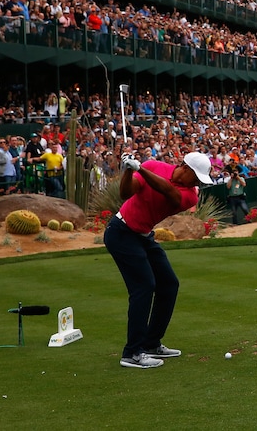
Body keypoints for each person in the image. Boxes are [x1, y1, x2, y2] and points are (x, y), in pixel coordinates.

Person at [104, 151, 213, 369]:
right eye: (196, 177)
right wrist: (127, 171)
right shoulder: (155, 165)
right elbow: (126, 193)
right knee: (144, 286)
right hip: (121, 233)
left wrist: (139, 168)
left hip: (143, 236)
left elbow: (168, 191)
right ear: (185, 167)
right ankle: (132, 352)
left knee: (169, 284)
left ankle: (151, 343)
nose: (197, 183)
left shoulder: (190, 195)